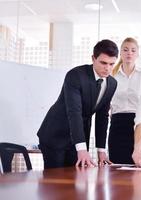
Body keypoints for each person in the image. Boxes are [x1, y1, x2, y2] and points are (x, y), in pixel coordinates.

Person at [37, 39, 119, 169]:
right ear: (93, 58)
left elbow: (102, 117)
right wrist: (82, 148)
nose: (107, 68)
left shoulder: (112, 84)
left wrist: (101, 150)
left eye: (111, 64)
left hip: (78, 137)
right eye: (103, 63)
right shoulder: (75, 75)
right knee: (55, 182)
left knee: (75, 180)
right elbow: (74, 112)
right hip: (56, 134)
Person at [108, 37, 141, 164]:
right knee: (116, 166)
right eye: (126, 50)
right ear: (120, 53)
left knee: (139, 165)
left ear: (137, 54)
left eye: (133, 50)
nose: (129, 53)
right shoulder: (112, 74)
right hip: (117, 123)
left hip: (138, 124)